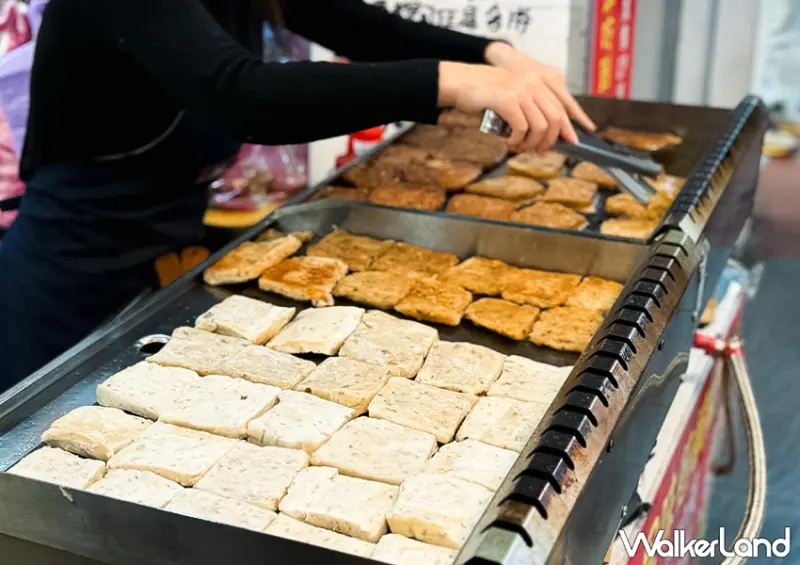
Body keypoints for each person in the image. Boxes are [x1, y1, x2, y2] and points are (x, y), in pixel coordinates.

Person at [0, 0, 595, 390]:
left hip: (168, 241)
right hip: (66, 268)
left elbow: (355, 24)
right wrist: (451, 83)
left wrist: (494, 55)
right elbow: (240, 94)